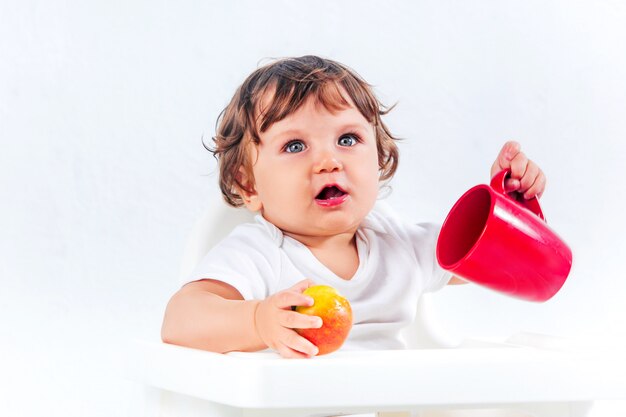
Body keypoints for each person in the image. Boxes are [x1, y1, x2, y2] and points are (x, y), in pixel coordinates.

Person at [161, 55, 546, 358]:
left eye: (347, 139)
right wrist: (259, 321)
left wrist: (511, 210)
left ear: (378, 160)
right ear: (249, 185)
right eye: (295, 146)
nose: (329, 160)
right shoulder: (259, 253)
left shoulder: (398, 243)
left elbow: (488, 262)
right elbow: (180, 320)